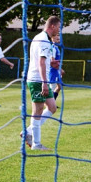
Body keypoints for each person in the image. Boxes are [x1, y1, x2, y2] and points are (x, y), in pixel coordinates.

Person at [23, 16, 60, 151]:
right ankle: (36, 144)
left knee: (52, 107)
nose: (59, 30)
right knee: (37, 110)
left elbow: (42, 60)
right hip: (37, 79)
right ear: (53, 26)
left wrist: (52, 63)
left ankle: (27, 131)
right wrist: (44, 83)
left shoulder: (39, 37)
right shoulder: (44, 40)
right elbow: (41, 62)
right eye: (58, 27)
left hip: (41, 79)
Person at [47, 25, 64, 99]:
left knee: (59, 86)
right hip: (53, 71)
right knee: (52, 88)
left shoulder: (56, 48)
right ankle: (49, 104)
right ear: (52, 38)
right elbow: (52, 61)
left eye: (59, 36)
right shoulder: (53, 48)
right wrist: (59, 68)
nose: (58, 37)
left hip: (56, 71)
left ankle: (52, 102)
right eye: (57, 36)